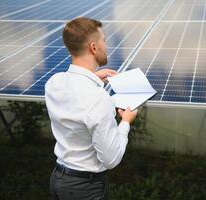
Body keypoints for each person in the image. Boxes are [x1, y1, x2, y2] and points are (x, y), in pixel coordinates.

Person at [45, 17, 138, 200]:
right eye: (104, 40)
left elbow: (79, 101)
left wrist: (93, 77)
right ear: (94, 48)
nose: (107, 45)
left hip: (58, 180)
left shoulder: (54, 83)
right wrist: (126, 122)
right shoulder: (98, 99)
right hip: (84, 189)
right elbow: (111, 160)